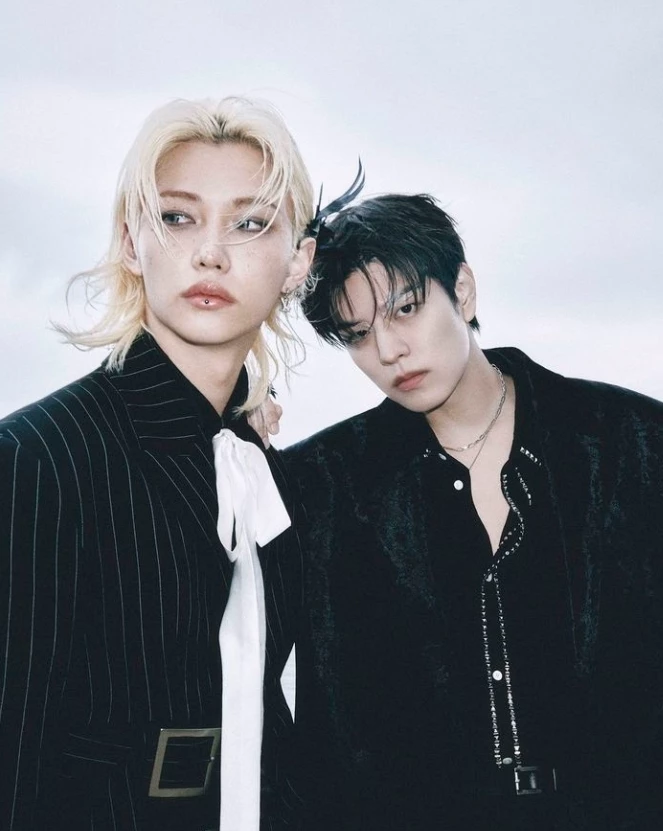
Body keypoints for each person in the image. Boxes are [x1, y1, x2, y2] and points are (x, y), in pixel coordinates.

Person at [285, 194, 663, 830]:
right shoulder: (319, 486)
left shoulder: (632, 443)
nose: (388, 350)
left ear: (461, 291)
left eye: (406, 309)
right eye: (358, 334)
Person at [0, 96, 316, 831]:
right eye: (177, 217)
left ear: (297, 262)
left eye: (250, 223)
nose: (211, 253)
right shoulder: (37, 461)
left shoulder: (264, 475)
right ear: (130, 242)